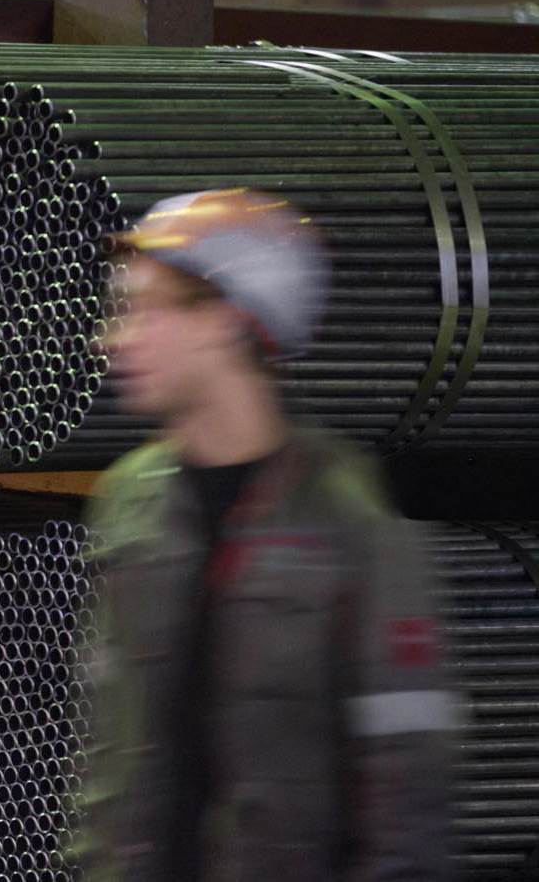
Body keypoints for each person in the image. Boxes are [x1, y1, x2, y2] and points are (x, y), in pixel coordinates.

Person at [73, 189, 456, 881]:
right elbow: (109, 753)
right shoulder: (128, 503)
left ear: (225, 320)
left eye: (144, 309)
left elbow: (407, 786)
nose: (113, 338)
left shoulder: (348, 521)